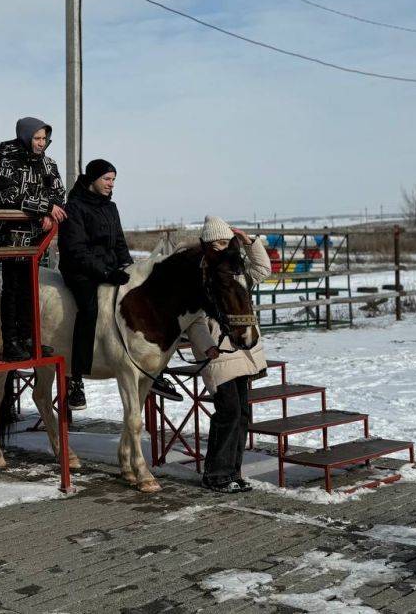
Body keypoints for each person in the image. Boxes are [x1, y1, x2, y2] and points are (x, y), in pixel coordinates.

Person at [58, 159, 182, 408]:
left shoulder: (110, 207)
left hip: (110, 269)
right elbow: (75, 250)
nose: (110, 184)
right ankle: (76, 378)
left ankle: (153, 370)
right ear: (92, 179)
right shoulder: (74, 207)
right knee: (89, 309)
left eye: (113, 180)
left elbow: (120, 244)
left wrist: (129, 268)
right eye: (106, 179)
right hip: (81, 272)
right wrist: (105, 272)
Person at [185, 215, 271, 494]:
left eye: (226, 241)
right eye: (217, 243)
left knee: (242, 412)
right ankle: (216, 474)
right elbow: (193, 317)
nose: (223, 247)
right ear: (207, 245)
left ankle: (232, 471)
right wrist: (205, 344)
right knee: (228, 411)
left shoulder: (237, 268)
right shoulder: (199, 273)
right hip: (218, 350)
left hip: (244, 348)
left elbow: (263, 270)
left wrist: (250, 242)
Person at [0, 117, 66, 361]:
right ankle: (11, 341)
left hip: (37, 238)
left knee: (30, 288)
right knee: (11, 288)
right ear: (25, 137)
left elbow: (59, 193)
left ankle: (28, 338)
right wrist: (44, 208)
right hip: (14, 235)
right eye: (36, 138)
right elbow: (6, 195)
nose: (41, 143)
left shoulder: (48, 163)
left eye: (44, 138)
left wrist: (50, 212)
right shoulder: (7, 157)